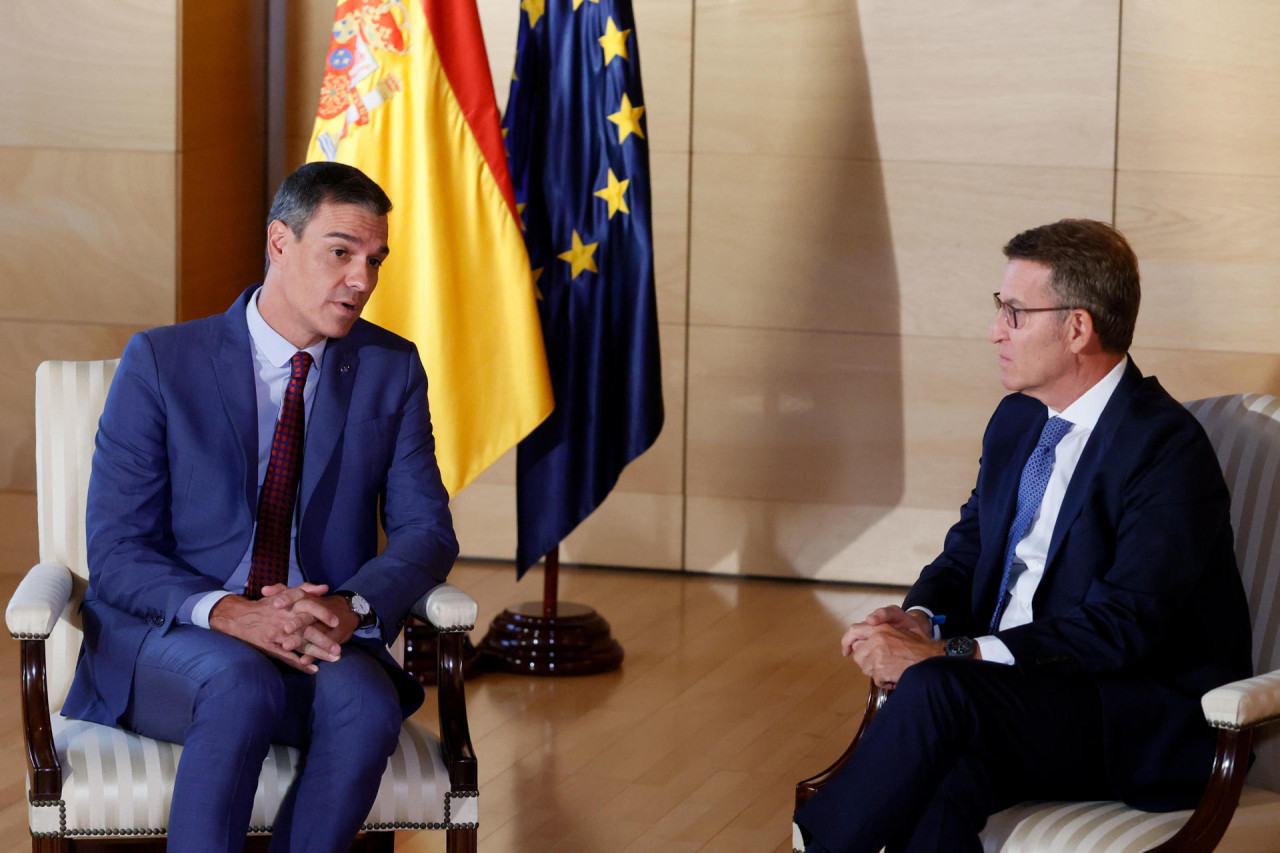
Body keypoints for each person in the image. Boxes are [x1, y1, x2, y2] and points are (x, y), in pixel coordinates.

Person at [794, 219, 1252, 853]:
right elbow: (970, 547)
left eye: (1013, 312)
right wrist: (921, 619)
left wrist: (952, 657)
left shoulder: (1164, 448)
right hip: (1014, 695)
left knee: (936, 691)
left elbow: (1124, 624)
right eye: (998, 309)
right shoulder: (1016, 420)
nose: (995, 330)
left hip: (1120, 710)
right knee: (945, 783)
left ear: (1077, 328)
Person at [62, 161, 459, 852]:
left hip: (318, 626)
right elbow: (117, 552)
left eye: (374, 260)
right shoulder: (161, 361)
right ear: (280, 242)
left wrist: (352, 606)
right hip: (176, 634)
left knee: (368, 706)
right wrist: (228, 611)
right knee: (241, 680)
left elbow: (427, 529)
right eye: (341, 252)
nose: (361, 280)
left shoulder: (391, 367)